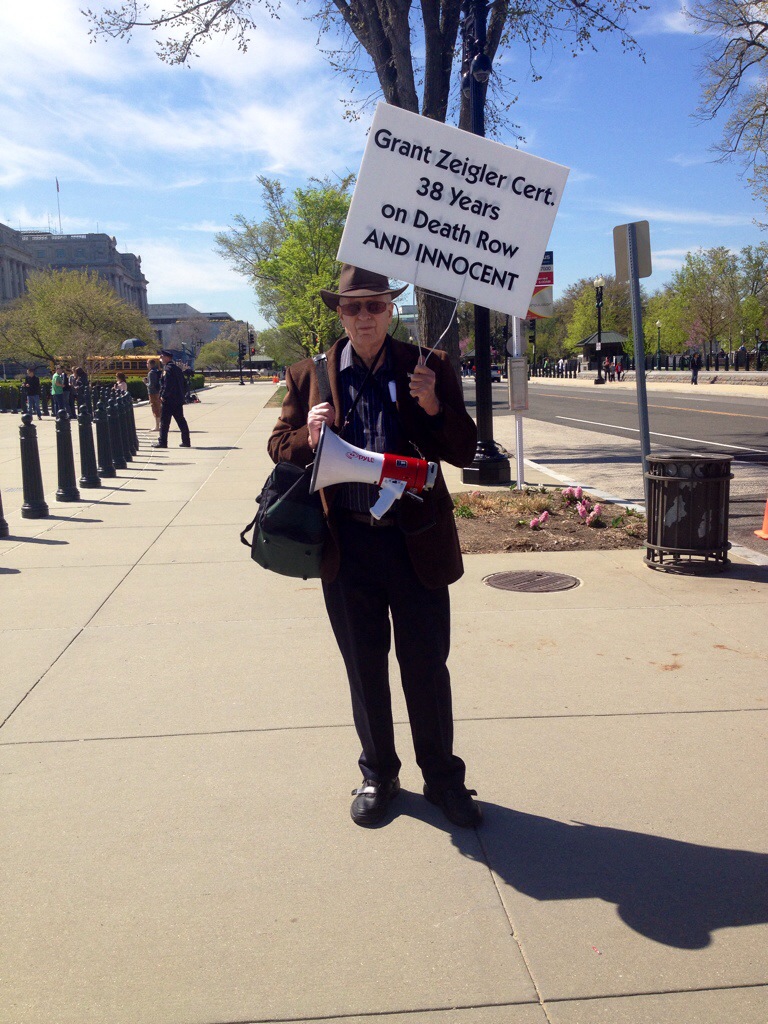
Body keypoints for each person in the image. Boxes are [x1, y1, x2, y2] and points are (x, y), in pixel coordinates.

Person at [268, 264, 481, 829]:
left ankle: (443, 779)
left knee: (426, 667)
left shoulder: (428, 366)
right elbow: (278, 444)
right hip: (348, 544)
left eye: (375, 305)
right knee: (364, 668)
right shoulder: (310, 373)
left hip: (414, 543)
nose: (364, 316)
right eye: (352, 306)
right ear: (338, 311)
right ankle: (378, 773)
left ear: (391, 307)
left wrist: (435, 407)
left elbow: (464, 448)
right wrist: (306, 438)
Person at [152, 349, 191, 448]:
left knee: (164, 422)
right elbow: (184, 384)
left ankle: (162, 442)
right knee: (181, 420)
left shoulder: (168, 369)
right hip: (177, 399)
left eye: (162, 357)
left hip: (169, 400)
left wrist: (163, 396)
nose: (160, 358)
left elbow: (168, 384)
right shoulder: (177, 369)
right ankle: (186, 441)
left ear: (167, 357)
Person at [145, 357, 162, 431]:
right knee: (159, 408)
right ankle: (160, 425)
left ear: (150, 364)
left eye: (147, 363)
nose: (146, 365)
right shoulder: (156, 371)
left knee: (155, 408)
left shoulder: (151, 373)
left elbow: (151, 385)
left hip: (153, 393)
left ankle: (157, 426)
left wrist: (145, 383)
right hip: (158, 392)